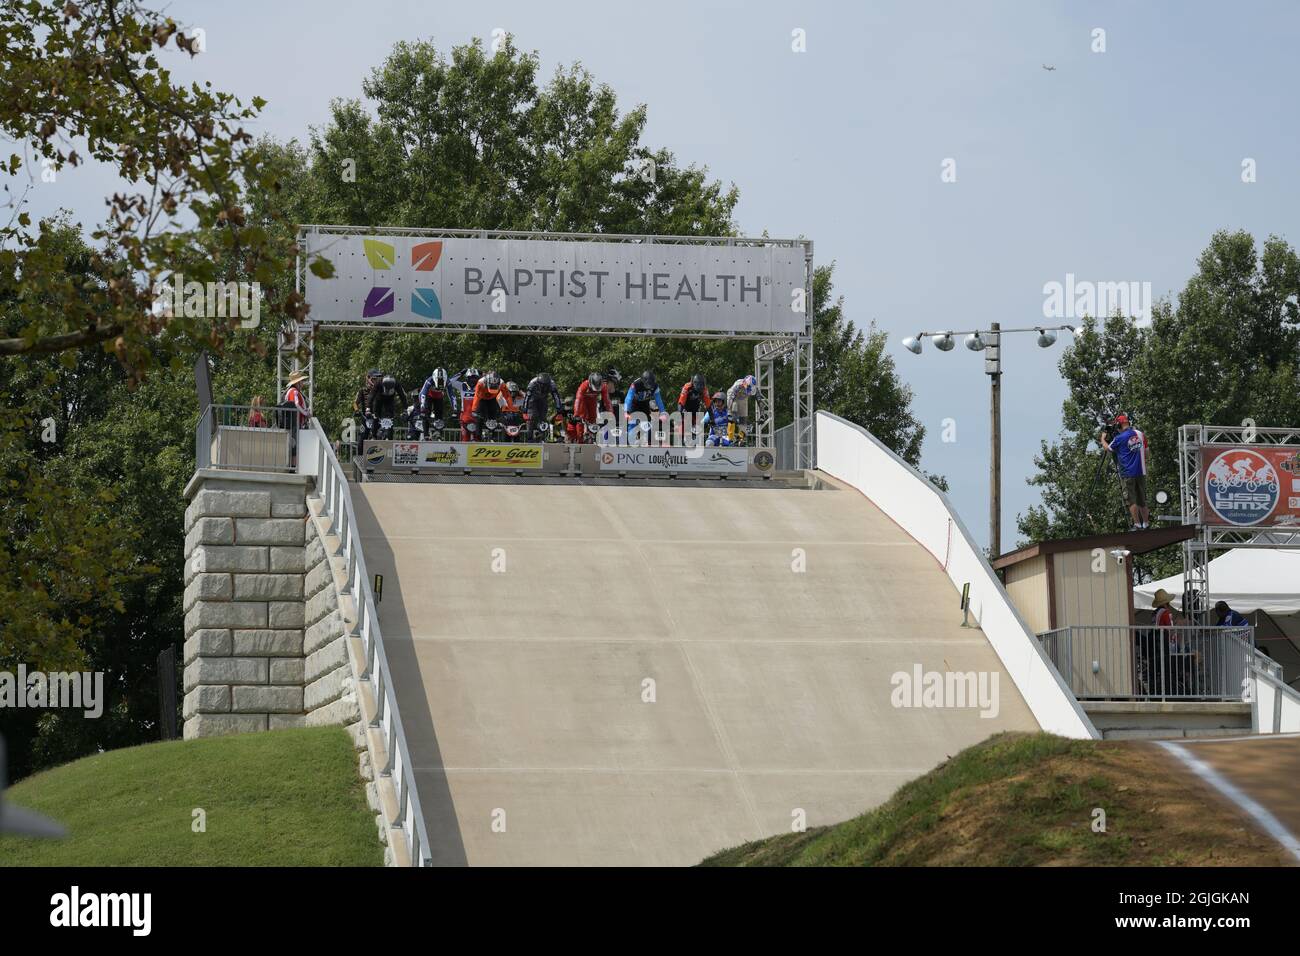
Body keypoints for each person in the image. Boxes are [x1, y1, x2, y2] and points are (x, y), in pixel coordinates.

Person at [1100, 413, 1150, 530]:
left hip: (1128, 473)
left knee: (1131, 500)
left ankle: (1137, 524)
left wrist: (1102, 439)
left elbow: (1108, 448)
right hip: (1141, 471)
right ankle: (1146, 524)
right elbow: (1147, 453)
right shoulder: (1140, 434)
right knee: (1142, 499)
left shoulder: (1119, 438)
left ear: (1119, 425)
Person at [569, 370, 613, 443]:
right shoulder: (583, 386)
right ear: (590, 383)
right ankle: (580, 439)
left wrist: (611, 414)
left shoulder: (603, 386)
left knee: (593, 418)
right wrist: (576, 414)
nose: (595, 391)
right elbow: (578, 400)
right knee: (581, 417)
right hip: (583, 401)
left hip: (592, 402)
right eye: (594, 388)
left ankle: (592, 436)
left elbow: (607, 401)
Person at [472, 370, 516, 439]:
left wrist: (511, 408)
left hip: (492, 399)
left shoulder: (501, 383)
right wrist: (474, 409)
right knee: (479, 417)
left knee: (493, 417)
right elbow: (476, 397)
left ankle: (493, 435)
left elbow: (507, 396)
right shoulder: (481, 382)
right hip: (482, 399)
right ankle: (478, 436)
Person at [624, 370, 666, 443]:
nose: (649, 387)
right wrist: (626, 411)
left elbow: (658, 400)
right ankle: (630, 443)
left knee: (648, 430)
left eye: (650, 385)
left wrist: (662, 412)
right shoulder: (636, 384)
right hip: (634, 406)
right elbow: (629, 398)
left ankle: (648, 446)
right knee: (632, 428)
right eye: (647, 385)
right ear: (643, 381)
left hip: (645, 406)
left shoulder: (655, 386)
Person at [522, 372, 566, 441]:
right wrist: (524, 411)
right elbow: (527, 398)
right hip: (532, 400)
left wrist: (559, 411)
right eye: (542, 385)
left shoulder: (552, 384)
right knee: (532, 416)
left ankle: (541, 436)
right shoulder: (532, 383)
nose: (544, 387)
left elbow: (556, 397)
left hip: (543, 399)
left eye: (546, 385)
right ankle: (529, 437)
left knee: (543, 417)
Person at [418, 367, 455, 440]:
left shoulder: (447, 381)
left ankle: (438, 433)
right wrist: (422, 407)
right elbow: (422, 394)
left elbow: (452, 395)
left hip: (439, 397)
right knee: (426, 413)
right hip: (429, 396)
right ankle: (426, 434)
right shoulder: (429, 380)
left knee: (439, 413)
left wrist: (455, 409)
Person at [725, 374, 758, 445]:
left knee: (743, 418)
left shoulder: (753, 388)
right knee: (732, 414)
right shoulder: (738, 385)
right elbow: (731, 397)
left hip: (743, 399)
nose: (749, 390)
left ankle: (741, 438)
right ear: (745, 383)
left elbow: (758, 398)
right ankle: (730, 437)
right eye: (748, 387)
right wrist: (729, 410)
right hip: (734, 397)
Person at [677, 374, 710, 443]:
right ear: (694, 384)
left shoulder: (704, 389)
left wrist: (712, 418)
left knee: (698, 424)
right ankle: (680, 439)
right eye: (698, 386)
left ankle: (696, 439)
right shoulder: (687, 387)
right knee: (683, 420)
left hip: (695, 408)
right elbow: (681, 402)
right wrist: (680, 413)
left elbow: (708, 405)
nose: (700, 388)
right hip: (685, 407)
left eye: (702, 386)